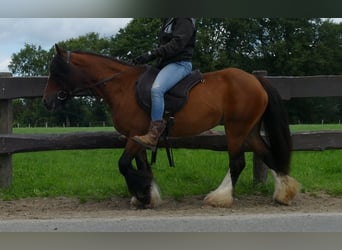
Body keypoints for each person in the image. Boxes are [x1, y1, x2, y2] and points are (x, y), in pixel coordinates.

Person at [132, 18, 197, 150]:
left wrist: (152, 54)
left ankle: (153, 135)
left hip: (180, 64)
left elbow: (178, 44)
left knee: (157, 90)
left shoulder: (184, 19)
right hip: (164, 65)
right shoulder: (169, 19)